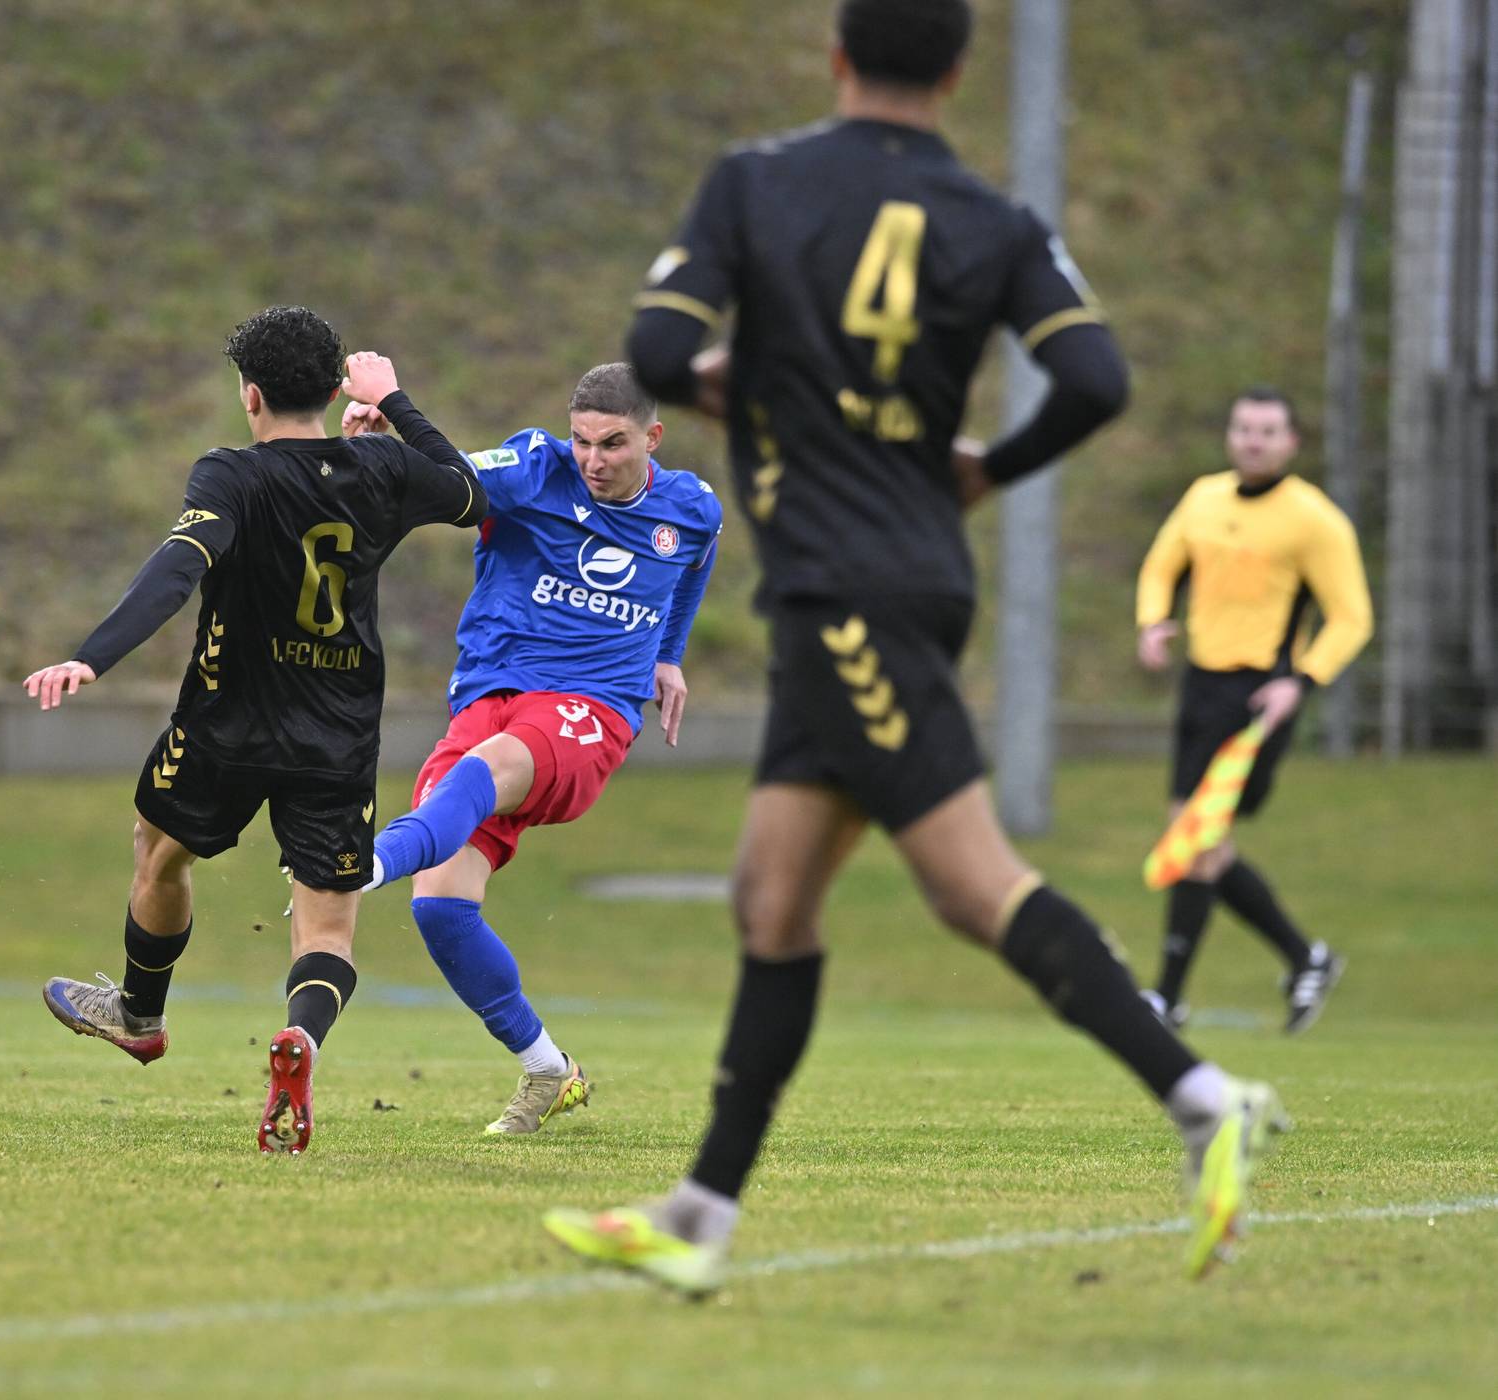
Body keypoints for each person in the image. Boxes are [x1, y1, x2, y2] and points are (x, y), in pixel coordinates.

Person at [544, 0, 1284, 1294]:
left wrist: (757, 386)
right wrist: (988, 467)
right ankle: (700, 1218)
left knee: (973, 882)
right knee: (771, 900)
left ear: (836, 59)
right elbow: (1098, 379)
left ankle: (1205, 1096)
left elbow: (658, 349)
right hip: (907, 575)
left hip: (845, 594)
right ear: (955, 72)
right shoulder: (996, 220)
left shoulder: (756, 183)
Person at [27, 306, 486, 1155]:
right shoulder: (384, 466)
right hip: (339, 735)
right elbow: (468, 494)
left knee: (159, 853)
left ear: (251, 395)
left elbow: (177, 567)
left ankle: (140, 1012)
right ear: (335, 386)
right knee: (326, 933)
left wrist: (93, 657)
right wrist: (396, 406)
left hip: (225, 726)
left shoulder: (230, 474)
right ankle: (300, 1042)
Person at [343, 362, 721, 1134]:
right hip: (491, 694)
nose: (593, 462)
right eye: (582, 442)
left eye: (613, 445)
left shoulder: (690, 509)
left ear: (653, 437)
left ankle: (360, 862)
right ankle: (548, 1068)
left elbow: (692, 563)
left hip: (592, 713)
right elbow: (445, 483)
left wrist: (669, 651)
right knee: (443, 909)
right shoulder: (533, 467)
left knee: (491, 770)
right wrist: (378, 444)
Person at [1136, 387, 1372, 1034]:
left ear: (1291, 442)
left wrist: (1302, 680)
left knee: (1198, 838)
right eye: (1243, 428)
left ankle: (1166, 998)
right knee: (1195, 839)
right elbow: (1160, 568)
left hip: (1260, 697)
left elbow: (1352, 618)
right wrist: (1154, 623)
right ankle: (1306, 958)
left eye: (1268, 431)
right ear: (1230, 436)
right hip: (1201, 687)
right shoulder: (1203, 498)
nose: (1253, 441)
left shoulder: (1314, 520)